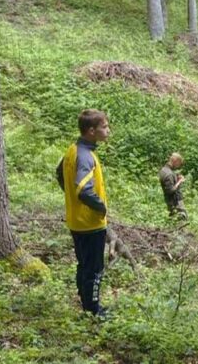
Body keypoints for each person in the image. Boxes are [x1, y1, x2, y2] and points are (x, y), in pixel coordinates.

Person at [56, 109, 110, 317]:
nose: (107, 131)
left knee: (84, 264)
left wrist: (69, 194)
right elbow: (83, 189)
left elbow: (59, 173)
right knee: (95, 268)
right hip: (90, 224)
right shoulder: (86, 157)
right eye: (104, 127)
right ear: (91, 131)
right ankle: (93, 309)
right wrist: (101, 208)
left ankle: (86, 302)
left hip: (76, 221)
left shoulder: (73, 150)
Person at [159, 152, 188, 222]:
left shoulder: (163, 170)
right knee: (182, 219)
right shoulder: (169, 174)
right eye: (179, 163)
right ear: (175, 161)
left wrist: (176, 179)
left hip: (170, 202)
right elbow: (170, 190)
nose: (178, 166)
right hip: (175, 203)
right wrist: (180, 181)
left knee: (174, 220)